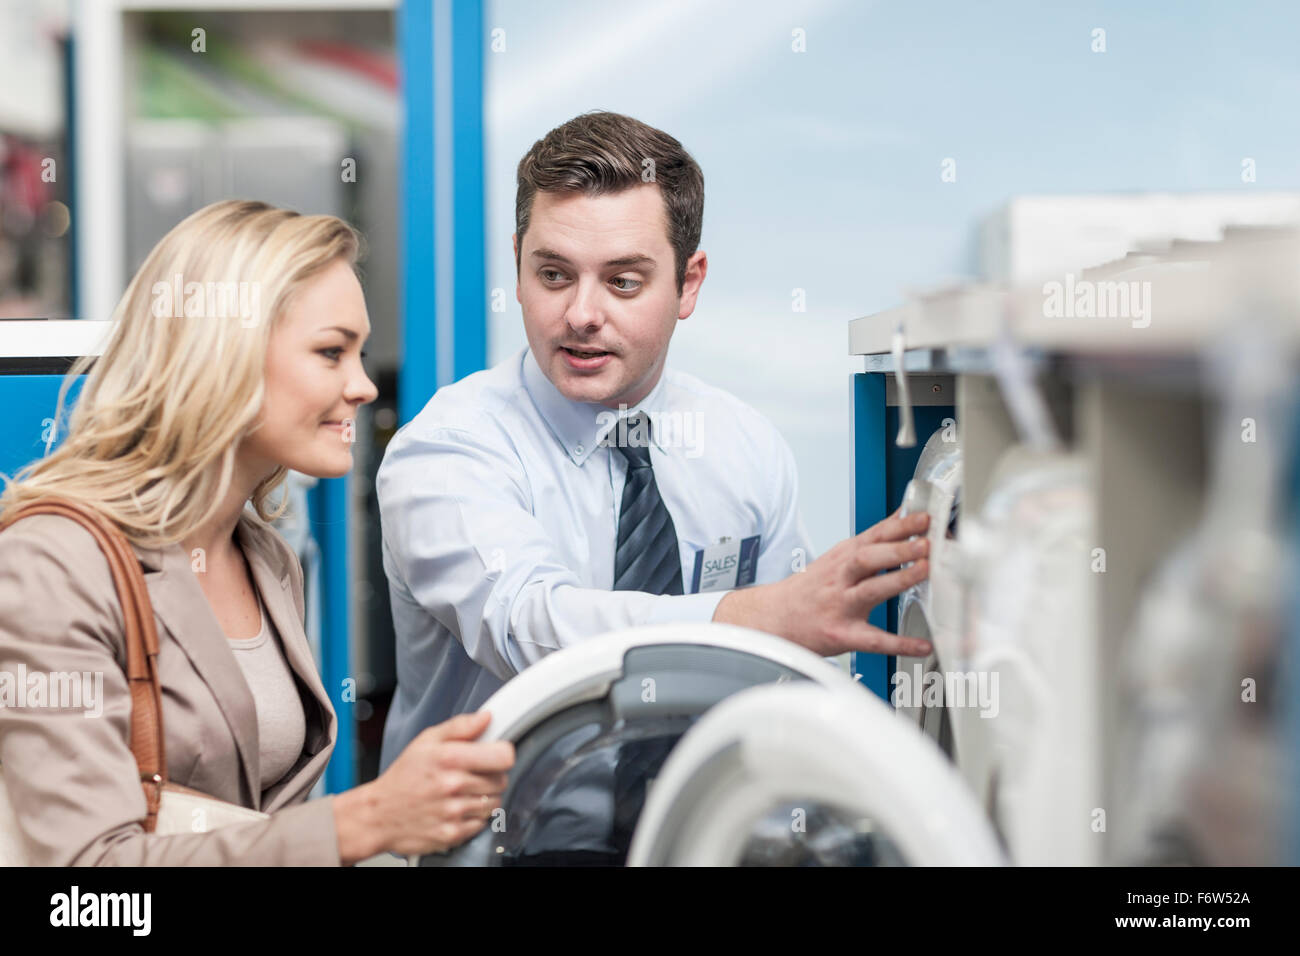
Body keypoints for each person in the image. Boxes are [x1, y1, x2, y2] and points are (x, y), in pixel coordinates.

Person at [377, 110, 933, 776]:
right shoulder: (449, 447)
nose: (582, 313)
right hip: (493, 843)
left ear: (688, 284)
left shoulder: (742, 445)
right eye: (553, 275)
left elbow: (791, 656)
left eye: (623, 282)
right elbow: (532, 627)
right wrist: (753, 614)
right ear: (518, 266)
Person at [0, 200, 513, 866]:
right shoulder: (52, 565)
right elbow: (85, 882)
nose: (361, 385)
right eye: (331, 352)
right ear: (226, 356)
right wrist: (361, 823)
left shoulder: (266, 557)